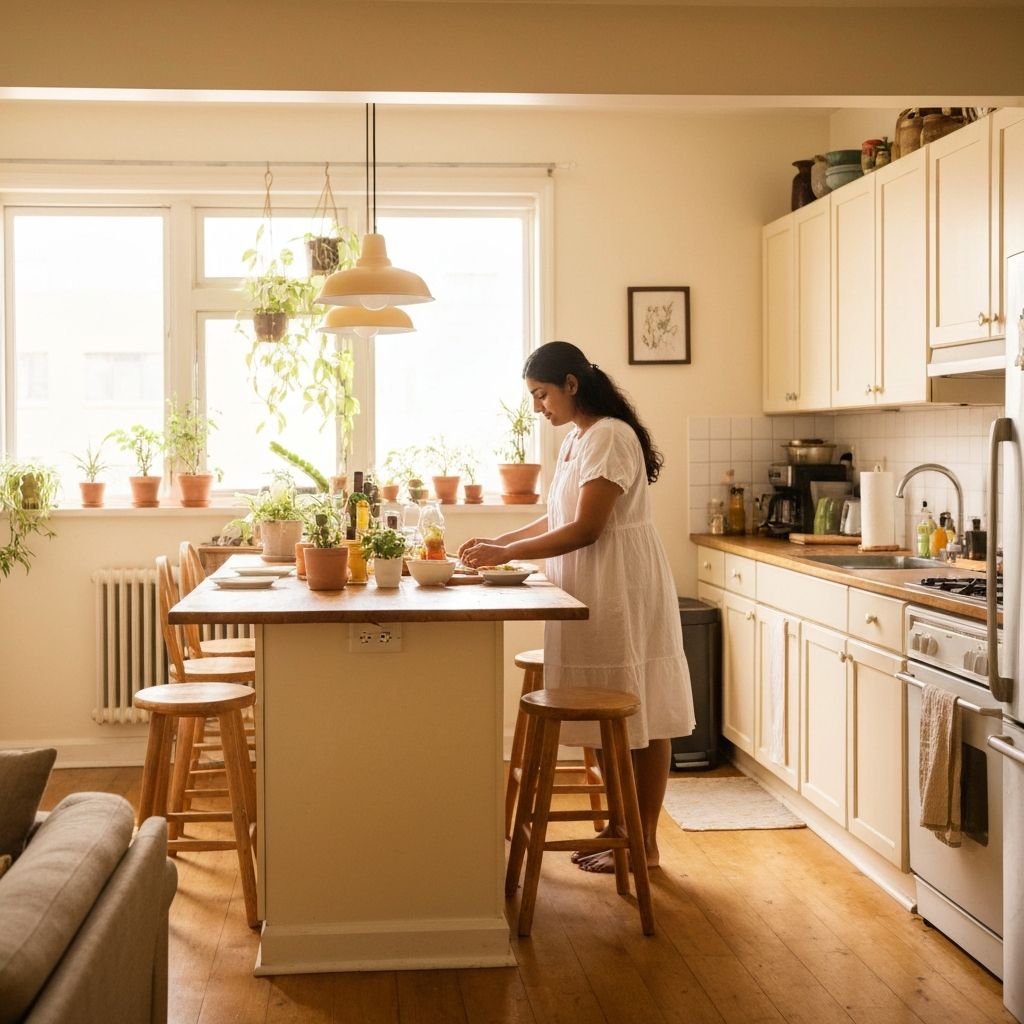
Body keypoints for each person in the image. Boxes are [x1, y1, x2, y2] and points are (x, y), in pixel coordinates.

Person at [459, 340, 695, 872]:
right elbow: (557, 518)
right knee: (609, 708)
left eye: (542, 395)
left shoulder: (611, 435)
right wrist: (498, 545)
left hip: (620, 586)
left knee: (641, 710)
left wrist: (508, 551)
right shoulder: (577, 439)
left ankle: (644, 843)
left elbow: (588, 529)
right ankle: (620, 828)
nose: (538, 408)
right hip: (591, 587)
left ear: (571, 384)